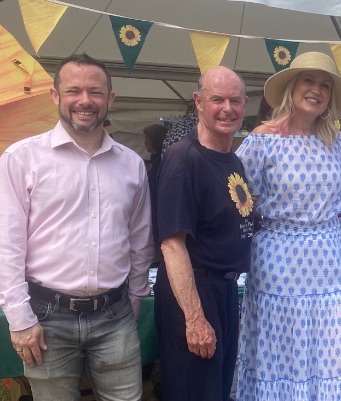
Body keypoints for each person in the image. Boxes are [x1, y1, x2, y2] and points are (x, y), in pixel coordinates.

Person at [0, 53, 154, 401]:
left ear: (110, 98)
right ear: (55, 96)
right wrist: (20, 319)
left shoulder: (131, 165)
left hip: (116, 315)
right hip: (46, 316)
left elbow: (140, 240)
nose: (85, 101)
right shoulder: (21, 159)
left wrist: (134, 301)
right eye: (73, 91)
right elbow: (7, 245)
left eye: (95, 92)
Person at [235, 51, 341, 400]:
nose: (316, 89)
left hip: (331, 260)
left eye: (325, 84)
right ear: (292, 87)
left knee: (339, 351)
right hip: (277, 260)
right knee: (282, 353)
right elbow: (239, 205)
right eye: (309, 80)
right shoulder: (261, 141)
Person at [154, 66, 253, 401]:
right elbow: (171, 244)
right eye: (217, 99)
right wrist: (195, 319)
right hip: (195, 290)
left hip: (224, 290)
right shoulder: (184, 157)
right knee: (194, 391)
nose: (227, 108)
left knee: (218, 390)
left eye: (235, 100)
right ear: (198, 102)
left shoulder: (233, 160)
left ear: (245, 104)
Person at [143, 123, 168, 260]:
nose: (144, 142)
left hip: (157, 210)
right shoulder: (152, 160)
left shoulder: (163, 162)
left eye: (147, 138)